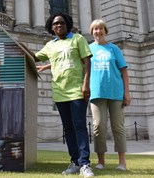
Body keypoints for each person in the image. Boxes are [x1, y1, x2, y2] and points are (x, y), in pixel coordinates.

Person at [34, 13, 94, 178]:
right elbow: (33, 57)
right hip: (59, 91)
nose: (58, 25)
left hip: (77, 90)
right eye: (55, 24)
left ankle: (85, 164)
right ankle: (75, 162)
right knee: (68, 128)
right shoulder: (50, 45)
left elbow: (87, 62)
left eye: (61, 23)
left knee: (80, 126)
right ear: (51, 27)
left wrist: (85, 84)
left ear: (67, 24)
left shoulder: (78, 39)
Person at [88, 19, 131, 171]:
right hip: (97, 93)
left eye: (100, 29)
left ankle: (122, 163)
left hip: (116, 93)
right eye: (95, 29)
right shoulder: (88, 49)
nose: (98, 32)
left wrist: (127, 92)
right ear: (92, 32)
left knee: (118, 127)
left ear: (105, 31)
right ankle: (101, 162)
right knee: (98, 126)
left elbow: (124, 72)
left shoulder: (114, 49)